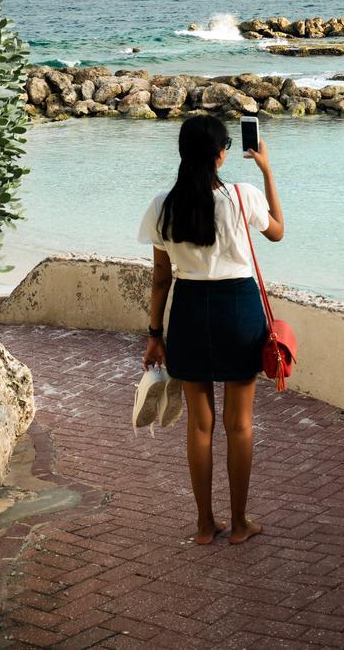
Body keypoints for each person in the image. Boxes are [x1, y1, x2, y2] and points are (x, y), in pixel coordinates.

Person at [136, 114, 284, 545]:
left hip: (189, 312)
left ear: (183, 152)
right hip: (238, 309)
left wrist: (154, 334)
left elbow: (160, 279)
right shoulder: (242, 195)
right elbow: (277, 231)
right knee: (240, 424)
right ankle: (239, 524)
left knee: (199, 426)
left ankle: (204, 525)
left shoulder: (163, 204)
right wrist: (267, 168)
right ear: (222, 154)